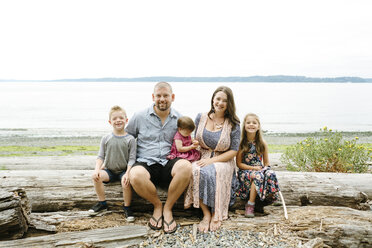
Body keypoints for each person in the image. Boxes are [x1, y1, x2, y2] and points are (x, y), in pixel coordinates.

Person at [126, 82, 192, 234]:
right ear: (153, 97)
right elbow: (127, 138)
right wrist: (126, 166)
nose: (162, 99)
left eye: (166, 95)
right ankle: (157, 206)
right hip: (146, 162)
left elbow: (187, 139)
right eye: (158, 96)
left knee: (186, 167)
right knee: (135, 175)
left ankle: (168, 208)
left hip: (169, 161)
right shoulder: (139, 116)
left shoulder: (180, 119)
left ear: (172, 97)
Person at [184, 86, 241, 233]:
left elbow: (234, 151)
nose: (220, 103)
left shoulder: (233, 124)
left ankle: (216, 211)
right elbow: (195, 139)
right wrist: (193, 144)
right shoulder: (200, 117)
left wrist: (211, 161)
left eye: (224, 100)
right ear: (213, 100)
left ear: (229, 104)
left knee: (210, 172)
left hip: (223, 160)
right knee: (194, 170)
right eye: (218, 99)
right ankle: (206, 214)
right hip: (201, 156)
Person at [89, 105, 136, 222]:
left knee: (126, 183)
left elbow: (132, 159)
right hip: (109, 170)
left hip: (123, 171)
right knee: (96, 177)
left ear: (126, 120)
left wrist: (128, 173)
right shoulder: (106, 138)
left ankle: (127, 207)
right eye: (115, 119)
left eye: (121, 118)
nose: (118, 120)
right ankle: (102, 203)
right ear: (110, 122)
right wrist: (97, 170)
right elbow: (100, 156)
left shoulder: (130, 139)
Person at [235, 113, 280, 217]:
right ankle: (250, 205)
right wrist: (254, 168)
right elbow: (239, 164)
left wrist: (264, 169)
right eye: (248, 122)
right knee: (257, 176)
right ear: (244, 126)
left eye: (254, 123)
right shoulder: (241, 143)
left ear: (258, 126)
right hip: (245, 171)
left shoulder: (262, 143)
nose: (251, 125)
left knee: (270, 173)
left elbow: (267, 163)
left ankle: (269, 198)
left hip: (260, 170)